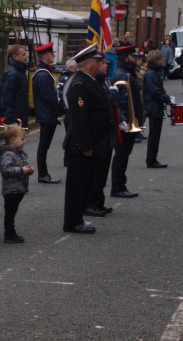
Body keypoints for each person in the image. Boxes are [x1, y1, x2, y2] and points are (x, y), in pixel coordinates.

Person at [62, 45, 111, 233]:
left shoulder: (91, 81)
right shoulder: (79, 84)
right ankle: (72, 222)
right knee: (77, 185)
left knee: (85, 184)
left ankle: (77, 219)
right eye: (98, 62)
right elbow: (80, 119)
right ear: (87, 63)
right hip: (81, 145)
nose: (101, 65)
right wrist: (86, 146)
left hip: (94, 142)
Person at [86, 59, 118, 217]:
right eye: (102, 63)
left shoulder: (105, 81)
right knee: (96, 171)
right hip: (98, 134)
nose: (106, 66)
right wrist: (112, 94)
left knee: (103, 171)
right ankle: (91, 203)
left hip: (108, 132)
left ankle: (99, 201)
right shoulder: (94, 84)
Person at [110, 45, 143, 199]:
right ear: (126, 57)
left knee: (124, 154)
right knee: (121, 155)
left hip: (131, 121)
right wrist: (124, 121)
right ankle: (117, 187)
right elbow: (121, 102)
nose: (136, 59)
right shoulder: (123, 75)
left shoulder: (128, 73)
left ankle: (120, 185)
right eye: (133, 56)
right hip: (126, 123)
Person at [32, 42, 65, 184]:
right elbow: (50, 97)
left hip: (47, 114)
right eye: (51, 53)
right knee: (44, 146)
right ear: (45, 55)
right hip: (47, 115)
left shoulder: (45, 72)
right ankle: (43, 174)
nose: (53, 55)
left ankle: (43, 174)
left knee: (44, 146)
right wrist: (60, 110)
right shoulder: (43, 74)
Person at [0, 126, 34, 243]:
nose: (24, 141)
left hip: (18, 188)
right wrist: (21, 170)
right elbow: (6, 170)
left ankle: (10, 233)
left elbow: (20, 166)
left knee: (12, 212)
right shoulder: (8, 154)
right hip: (11, 189)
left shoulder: (17, 153)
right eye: (22, 139)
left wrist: (28, 170)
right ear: (13, 140)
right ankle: (9, 234)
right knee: (10, 212)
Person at [144, 51, 175, 169]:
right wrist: (167, 99)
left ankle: (152, 159)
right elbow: (155, 91)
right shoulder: (152, 74)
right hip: (153, 106)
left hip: (154, 106)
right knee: (154, 135)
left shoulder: (154, 72)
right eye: (159, 59)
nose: (161, 61)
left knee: (155, 134)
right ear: (155, 60)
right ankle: (151, 160)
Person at [0, 44, 29, 129]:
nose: (26, 57)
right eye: (23, 54)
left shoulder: (19, 72)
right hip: (16, 120)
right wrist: (12, 121)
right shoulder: (13, 74)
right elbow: (7, 99)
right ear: (15, 56)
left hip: (20, 119)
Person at [57, 59, 77, 167]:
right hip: (68, 110)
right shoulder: (65, 78)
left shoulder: (69, 77)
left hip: (69, 110)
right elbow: (62, 95)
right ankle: (67, 158)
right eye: (75, 68)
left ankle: (69, 158)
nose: (76, 70)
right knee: (70, 135)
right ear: (69, 68)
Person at [135, 56, 147, 143]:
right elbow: (141, 78)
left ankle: (139, 130)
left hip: (141, 94)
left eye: (140, 60)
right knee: (139, 114)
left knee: (143, 114)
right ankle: (137, 132)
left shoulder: (139, 69)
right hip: (138, 95)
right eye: (139, 60)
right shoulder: (136, 70)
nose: (140, 62)